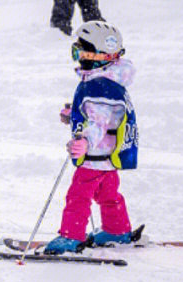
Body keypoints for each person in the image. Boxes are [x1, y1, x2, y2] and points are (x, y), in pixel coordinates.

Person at [44, 21, 138, 254]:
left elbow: (100, 122)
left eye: (79, 50)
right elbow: (99, 114)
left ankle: (71, 237)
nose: (76, 56)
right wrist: (75, 114)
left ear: (96, 54)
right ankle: (117, 230)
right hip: (107, 155)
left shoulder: (98, 87)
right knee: (108, 193)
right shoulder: (107, 81)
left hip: (95, 155)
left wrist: (85, 141)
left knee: (78, 195)